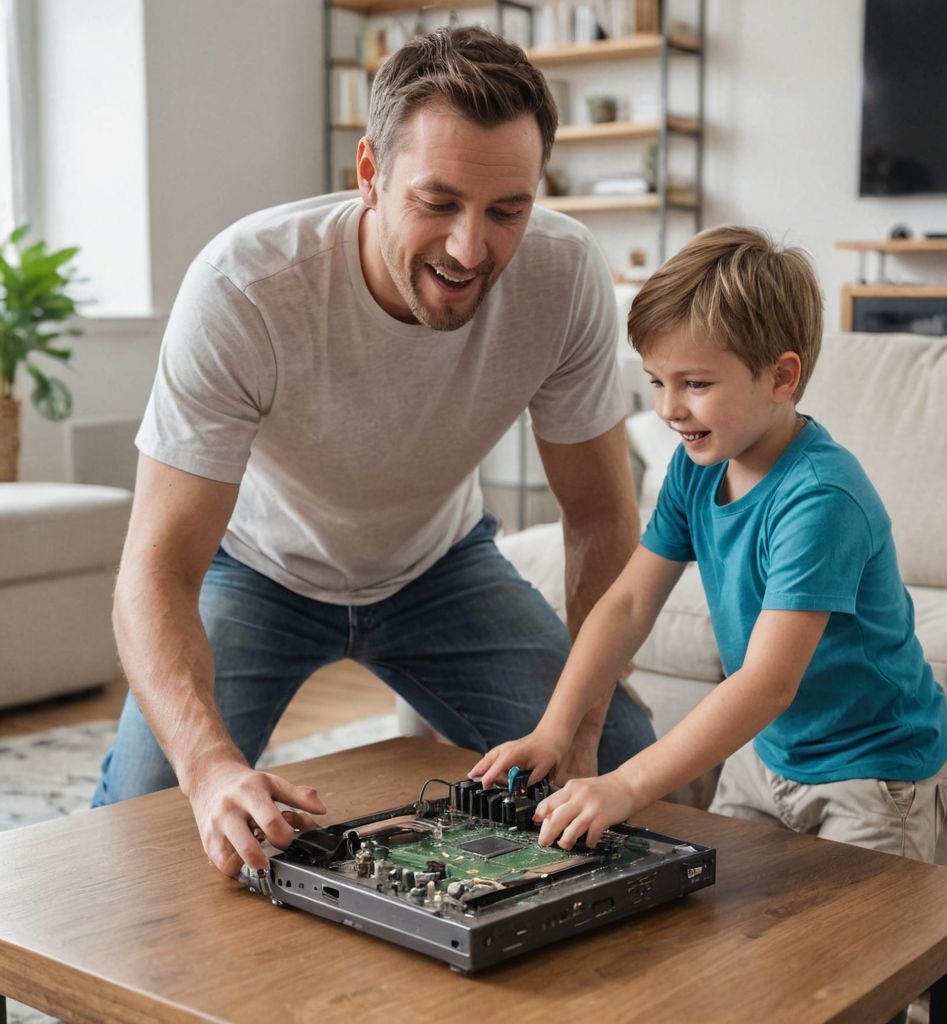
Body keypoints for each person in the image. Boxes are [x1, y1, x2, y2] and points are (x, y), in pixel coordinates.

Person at [92, 25, 656, 878]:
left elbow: (600, 513)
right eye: (438, 203)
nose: (472, 250)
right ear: (369, 175)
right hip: (258, 570)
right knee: (145, 825)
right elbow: (155, 568)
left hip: (438, 568)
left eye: (507, 211)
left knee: (621, 753)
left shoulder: (565, 274)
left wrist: (578, 724)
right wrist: (207, 766)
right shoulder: (245, 288)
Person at [471, 226, 947, 864]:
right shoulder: (694, 466)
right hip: (768, 755)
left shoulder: (821, 498)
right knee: (723, 937)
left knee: (857, 956)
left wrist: (626, 784)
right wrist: (554, 729)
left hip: (872, 777)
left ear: (781, 377)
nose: (670, 409)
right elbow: (627, 606)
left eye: (695, 384)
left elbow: (764, 683)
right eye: (655, 382)